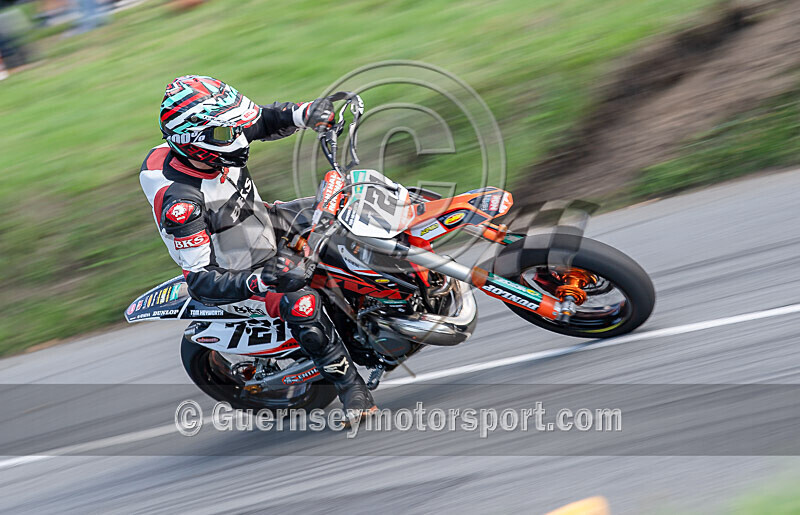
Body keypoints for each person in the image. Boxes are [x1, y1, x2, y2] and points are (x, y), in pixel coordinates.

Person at [140, 75, 376, 416]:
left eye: (234, 126)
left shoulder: (209, 139)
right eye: (227, 132)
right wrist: (262, 280)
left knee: (354, 202)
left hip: (262, 218)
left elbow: (259, 121)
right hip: (237, 267)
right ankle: (351, 387)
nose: (238, 135)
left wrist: (306, 113)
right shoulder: (182, 205)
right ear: (192, 139)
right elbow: (200, 280)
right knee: (301, 303)